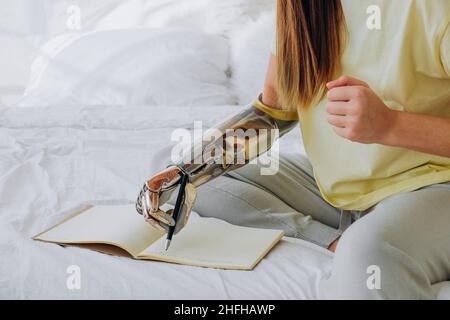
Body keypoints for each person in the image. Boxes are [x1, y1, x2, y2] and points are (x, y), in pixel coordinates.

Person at [136, 0, 450, 299]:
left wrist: (390, 125)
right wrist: (191, 170)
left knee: (367, 255)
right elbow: (272, 113)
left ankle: (358, 243)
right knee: (177, 170)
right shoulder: (300, 7)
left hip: (434, 186)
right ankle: (332, 242)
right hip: (335, 193)